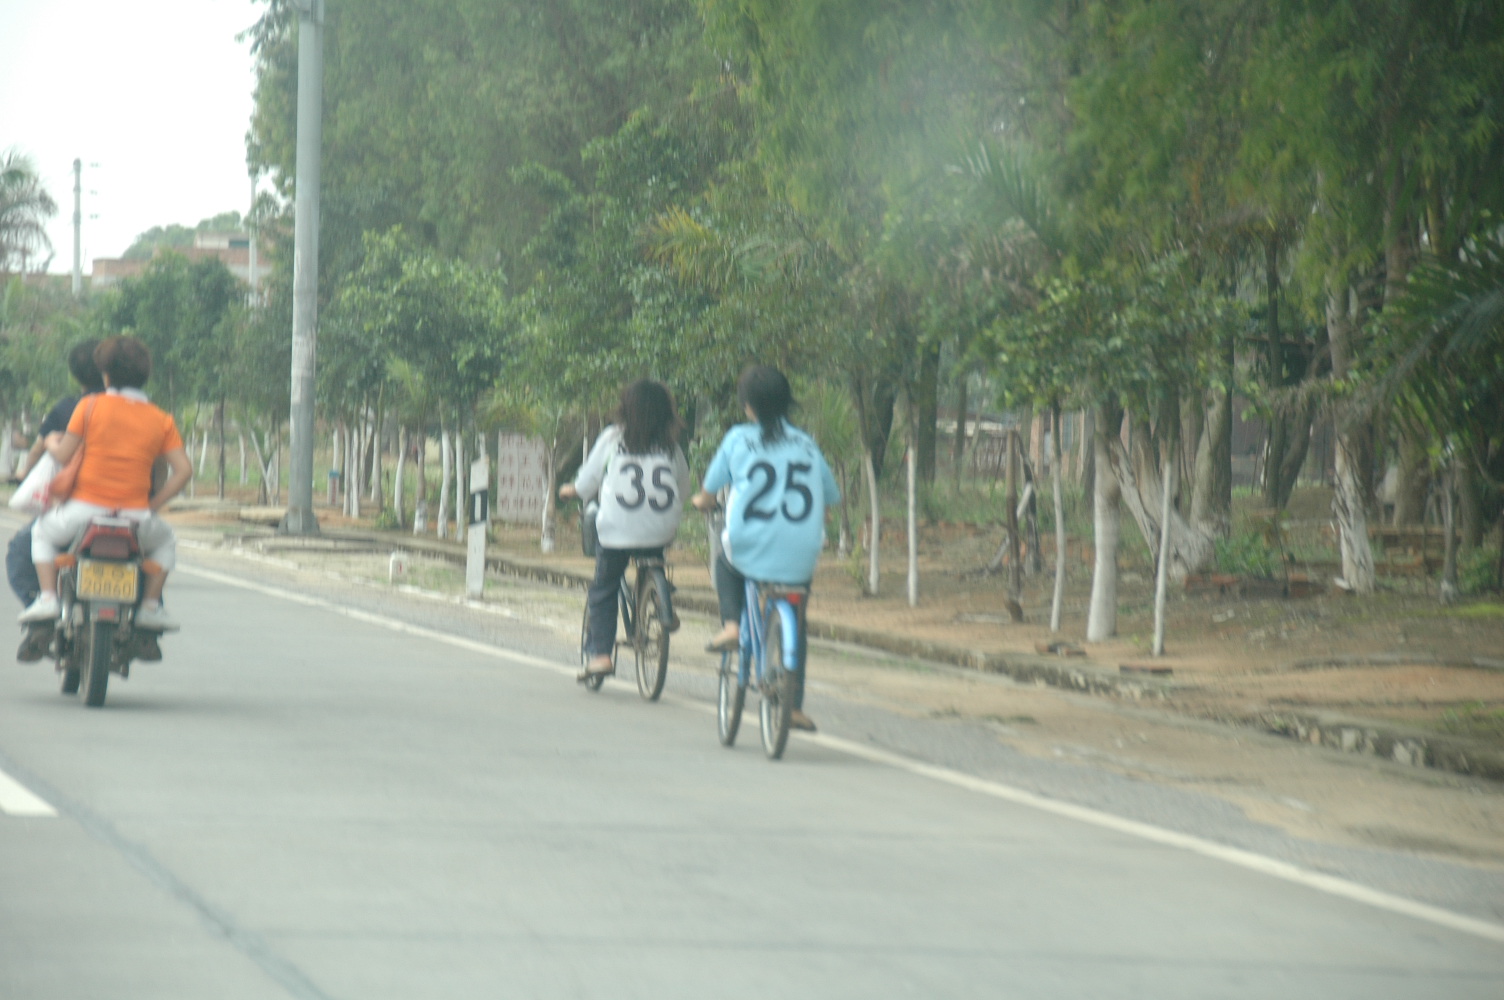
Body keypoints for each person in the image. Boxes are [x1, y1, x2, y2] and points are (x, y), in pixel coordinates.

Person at [691, 364, 839, 732]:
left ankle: (731, 625)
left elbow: (709, 491)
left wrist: (701, 501)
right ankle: (793, 706)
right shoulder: (806, 444)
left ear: (747, 406)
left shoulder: (738, 439)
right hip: (801, 552)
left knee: (725, 562)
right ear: (788, 402)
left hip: (748, 546)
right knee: (796, 618)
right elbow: (830, 495)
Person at [20, 336, 193, 633]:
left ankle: (48, 598)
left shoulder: (89, 407)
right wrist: (152, 505)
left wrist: (49, 442)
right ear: (145, 376)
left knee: (41, 533)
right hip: (135, 518)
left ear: (106, 375)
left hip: (83, 513)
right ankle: (150, 607)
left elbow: (63, 454)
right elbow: (184, 471)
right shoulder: (161, 419)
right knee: (165, 542)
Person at [560, 379, 692, 679]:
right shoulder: (671, 447)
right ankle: (658, 598)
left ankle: (601, 655)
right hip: (660, 529)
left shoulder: (612, 438)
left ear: (625, 408)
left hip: (617, 531)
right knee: (651, 550)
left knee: (604, 588)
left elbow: (586, 483)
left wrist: (570, 491)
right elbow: (683, 489)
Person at [9, 340, 104, 660]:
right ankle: (148, 611)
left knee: (21, 549)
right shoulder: (140, 411)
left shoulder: (69, 409)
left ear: (75, 374)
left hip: (73, 508)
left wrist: (25, 474)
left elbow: (42, 450)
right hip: (128, 509)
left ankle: (41, 611)